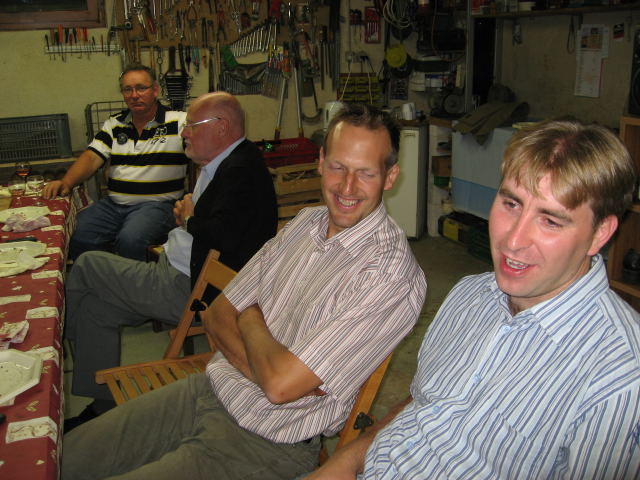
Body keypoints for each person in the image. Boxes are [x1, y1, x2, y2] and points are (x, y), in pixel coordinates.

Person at [61, 103, 427, 480]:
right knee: (65, 457)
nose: (347, 187)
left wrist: (249, 317)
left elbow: (280, 387)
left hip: (264, 442)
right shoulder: (305, 223)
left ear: (390, 176)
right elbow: (216, 313)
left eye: (365, 172)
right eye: (338, 166)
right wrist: (266, 366)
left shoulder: (389, 274)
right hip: (209, 388)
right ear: (320, 162)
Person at [303, 119, 640, 480]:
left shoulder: (621, 376)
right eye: (511, 203)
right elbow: (421, 404)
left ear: (599, 233)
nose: (513, 240)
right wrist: (346, 460)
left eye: (550, 221)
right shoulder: (471, 294)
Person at [63, 91, 278, 431]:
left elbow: (225, 236)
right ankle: (101, 406)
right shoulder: (224, 163)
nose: (184, 133)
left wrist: (190, 219)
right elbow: (219, 224)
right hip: (177, 272)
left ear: (221, 127)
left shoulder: (241, 172)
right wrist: (188, 217)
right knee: (95, 309)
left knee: (89, 264)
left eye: (192, 125)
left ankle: (55, 344)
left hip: (189, 289)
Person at [42, 63, 189, 261]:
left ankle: (134, 280)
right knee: (78, 232)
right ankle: (101, 277)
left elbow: (204, 150)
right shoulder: (114, 124)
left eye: (141, 88)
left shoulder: (179, 122)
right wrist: (66, 182)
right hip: (114, 205)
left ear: (155, 90)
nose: (134, 95)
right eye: (127, 89)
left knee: (131, 239)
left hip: (158, 205)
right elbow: (91, 157)